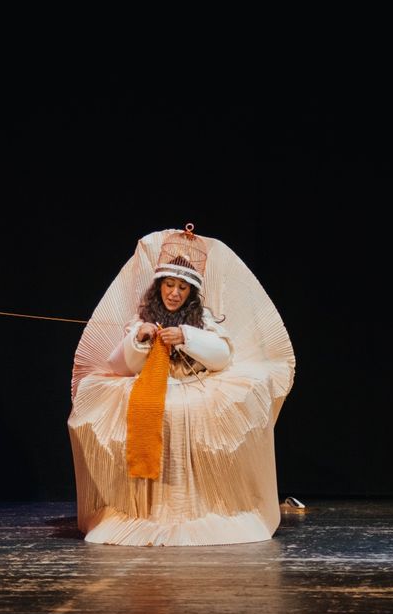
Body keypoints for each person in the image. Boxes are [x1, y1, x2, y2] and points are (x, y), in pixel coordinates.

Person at [68, 225, 295, 546]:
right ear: (160, 286)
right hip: (152, 385)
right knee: (141, 407)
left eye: (182, 288)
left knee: (191, 412)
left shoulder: (202, 319)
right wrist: (140, 339)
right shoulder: (143, 318)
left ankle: (199, 506)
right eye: (169, 285)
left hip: (194, 386)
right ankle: (144, 510)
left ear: (190, 292)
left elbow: (221, 355)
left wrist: (186, 336)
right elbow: (118, 367)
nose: (174, 293)